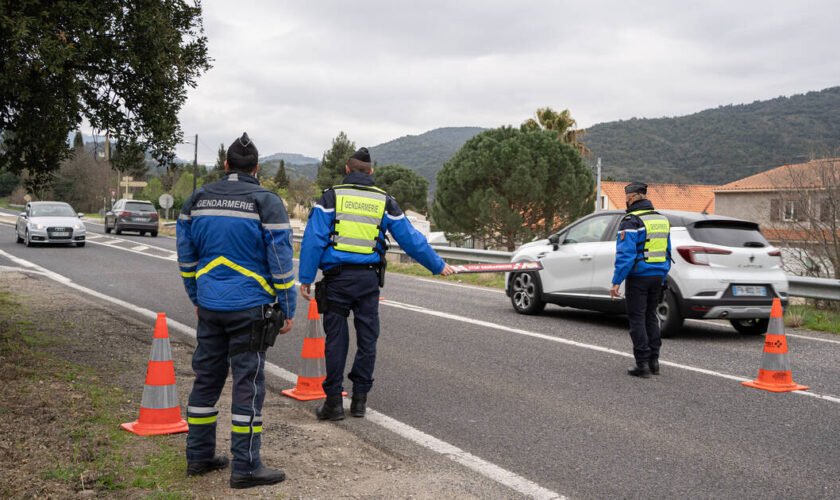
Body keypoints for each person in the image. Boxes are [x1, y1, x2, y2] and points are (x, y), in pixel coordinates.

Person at [298, 147, 455, 420]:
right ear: (371, 172)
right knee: (368, 339)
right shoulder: (384, 201)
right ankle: (360, 401)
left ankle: (333, 403)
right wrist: (437, 265)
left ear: (347, 170)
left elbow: (313, 239)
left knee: (336, 340)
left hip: (336, 279)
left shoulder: (331, 197)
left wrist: (306, 277)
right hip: (368, 280)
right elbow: (410, 238)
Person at [177, 132, 296, 488]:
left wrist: (197, 297)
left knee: (207, 380)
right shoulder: (266, 200)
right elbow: (280, 261)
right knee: (248, 385)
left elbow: (186, 258)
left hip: (211, 305)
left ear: (225, 165)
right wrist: (287, 307)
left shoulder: (197, 199)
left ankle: (198, 457)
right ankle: (245, 467)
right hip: (250, 308)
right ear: (256, 169)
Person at [609, 182, 671, 378]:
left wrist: (617, 281)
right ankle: (654, 362)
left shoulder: (631, 221)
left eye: (627, 197)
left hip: (639, 277)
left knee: (637, 319)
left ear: (633, 197)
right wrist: (662, 272)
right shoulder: (661, 219)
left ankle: (641, 365)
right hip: (658, 276)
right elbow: (667, 251)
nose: (625, 201)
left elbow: (625, 255)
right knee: (651, 317)